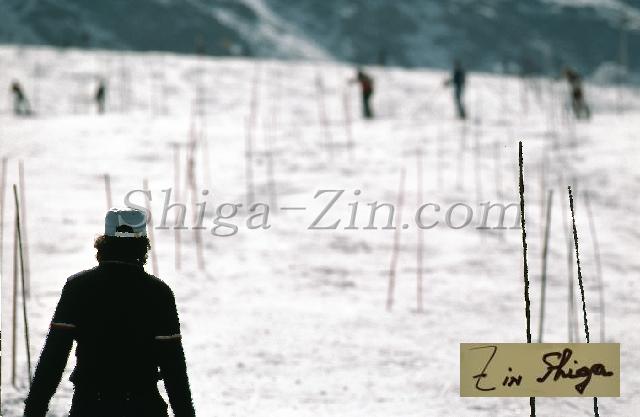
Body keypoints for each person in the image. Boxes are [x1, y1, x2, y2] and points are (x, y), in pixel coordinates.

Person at [23, 208, 196, 417]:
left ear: (104, 243)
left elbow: (54, 357)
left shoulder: (78, 287)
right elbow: (173, 368)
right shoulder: (158, 293)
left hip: (90, 407)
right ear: (143, 245)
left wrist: (33, 411)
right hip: (144, 407)